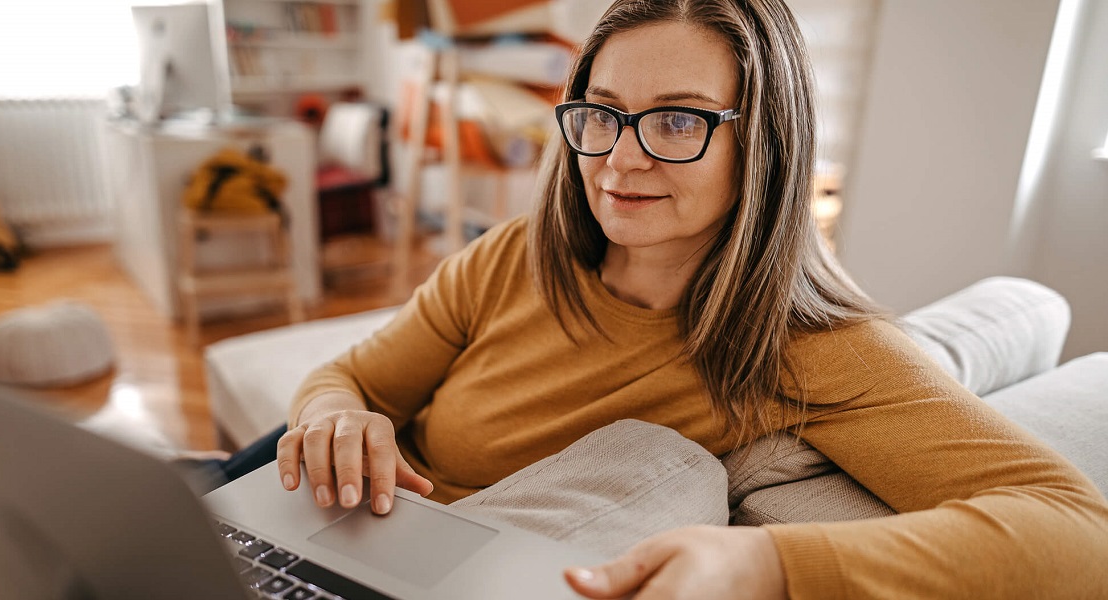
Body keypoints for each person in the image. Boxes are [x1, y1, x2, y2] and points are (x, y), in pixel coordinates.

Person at [195, 0, 1108, 597]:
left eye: (676, 120)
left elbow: (1076, 532)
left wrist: (772, 563)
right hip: (326, 520)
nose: (618, 158)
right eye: (601, 112)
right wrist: (335, 416)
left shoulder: (812, 347)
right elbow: (354, 375)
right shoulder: (518, 255)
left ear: (763, 144)